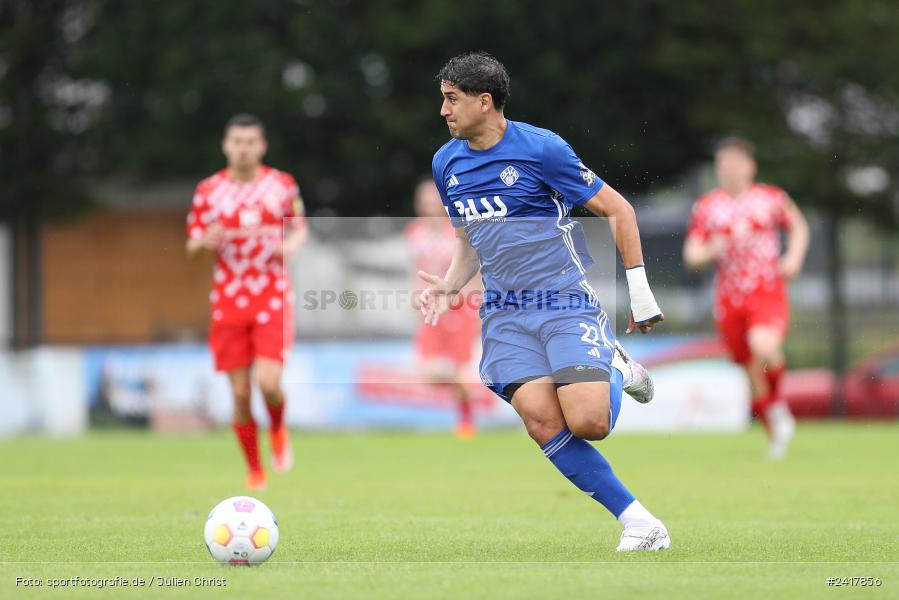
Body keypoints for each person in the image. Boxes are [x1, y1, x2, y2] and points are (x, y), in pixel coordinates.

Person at [419, 53, 669, 551]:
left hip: (562, 300)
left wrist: (640, 293)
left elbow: (618, 209)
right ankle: (641, 524)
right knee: (541, 420)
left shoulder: (541, 149)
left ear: (483, 102)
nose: (443, 111)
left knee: (589, 422)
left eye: (451, 99)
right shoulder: (446, 162)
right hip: (504, 313)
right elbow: (470, 240)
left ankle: (615, 367)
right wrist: (450, 284)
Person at [186, 114, 308, 489]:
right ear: (226, 146)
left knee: (268, 383)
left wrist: (291, 245)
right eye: (237, 141)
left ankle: (278, 428)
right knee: (240, 394)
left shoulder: (281, 184)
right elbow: (191, 244)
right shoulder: (209, 191)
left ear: (262, 146)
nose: (243, 148)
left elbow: (300, 227)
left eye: (250, 141)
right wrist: (203, 242)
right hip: (228, 298)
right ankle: (255, 469)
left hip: (271, 294)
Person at [684, 137, 810, 459]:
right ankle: (776, 434)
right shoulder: (707, 207)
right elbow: (692, 254)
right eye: (724, 163)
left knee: (763, 346)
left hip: (766, 288)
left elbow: (799, 227)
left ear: (750, 166)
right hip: (729, 299)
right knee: (752, 373)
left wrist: (794, 257)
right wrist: (713, 249)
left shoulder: (772, 198)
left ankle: (778, 404)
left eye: (736, 162)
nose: (730, 169)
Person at [405, 178, 481, 438]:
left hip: (460, 305)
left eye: (432, 198)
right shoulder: (414, 232)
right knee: (427, 372)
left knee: (459, 366)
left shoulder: (458, 230)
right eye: (423, 198)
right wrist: (414, 298)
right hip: (430, 305)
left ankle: (465, 420)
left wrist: (475, 303)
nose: (427, 203)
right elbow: (415, 270)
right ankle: (468, 387)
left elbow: (473, 270)